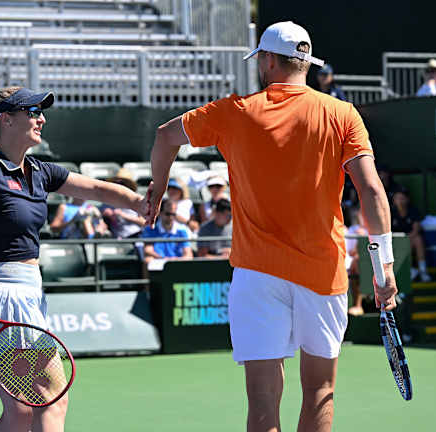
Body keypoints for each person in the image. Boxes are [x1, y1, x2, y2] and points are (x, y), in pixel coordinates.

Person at [146, 21, 397, 432]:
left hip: (256, 273)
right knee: (320, 392)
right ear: (305, 63)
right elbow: (370, 189)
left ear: (266, 61)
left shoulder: (234, 111)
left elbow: (165, 136)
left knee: (262, 399)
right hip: (323, 272)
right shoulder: (341, 114)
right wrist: (383, 264)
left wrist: (157, 190)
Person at [0, 86, 150, 432]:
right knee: (51, 398)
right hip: (4, 297)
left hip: (29, 295)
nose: (42, 119)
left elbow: (96, 190)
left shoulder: (40, 171)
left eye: (41, 112)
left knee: (20, 414)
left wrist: (138, 203)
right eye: (32, 112)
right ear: (6, 120)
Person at [391, 187, 432, 282]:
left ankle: (423, 271)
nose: (400, 201)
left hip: (410, 239)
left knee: (418, 239)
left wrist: (406, 240)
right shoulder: (391, 213)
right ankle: (407, 271)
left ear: (407, 199)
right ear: (394, 200)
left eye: (402, 198)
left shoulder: (413, 211)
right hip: (395, 241)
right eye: (397, 198)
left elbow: (416, 229)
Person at [141, 199, 193, 263]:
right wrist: (164, 259)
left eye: (173, 214)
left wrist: (174, 260)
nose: (171, 217)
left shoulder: (182, 231)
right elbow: (148, 250)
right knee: (147, 260)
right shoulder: (150, 229)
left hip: (177, 264)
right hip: (158, 262)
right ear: (159, 213)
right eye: (168, 214)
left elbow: (188, 254)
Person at [101, 168, 146, 238]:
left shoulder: (137, 200)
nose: (119, 186)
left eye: (122, 183)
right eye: (116, 183)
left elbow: (144, 223)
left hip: (136, 236)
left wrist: (124, 216)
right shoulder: (107, 201)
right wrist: (106, 215)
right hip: (116, 238)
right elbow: (101, 216)